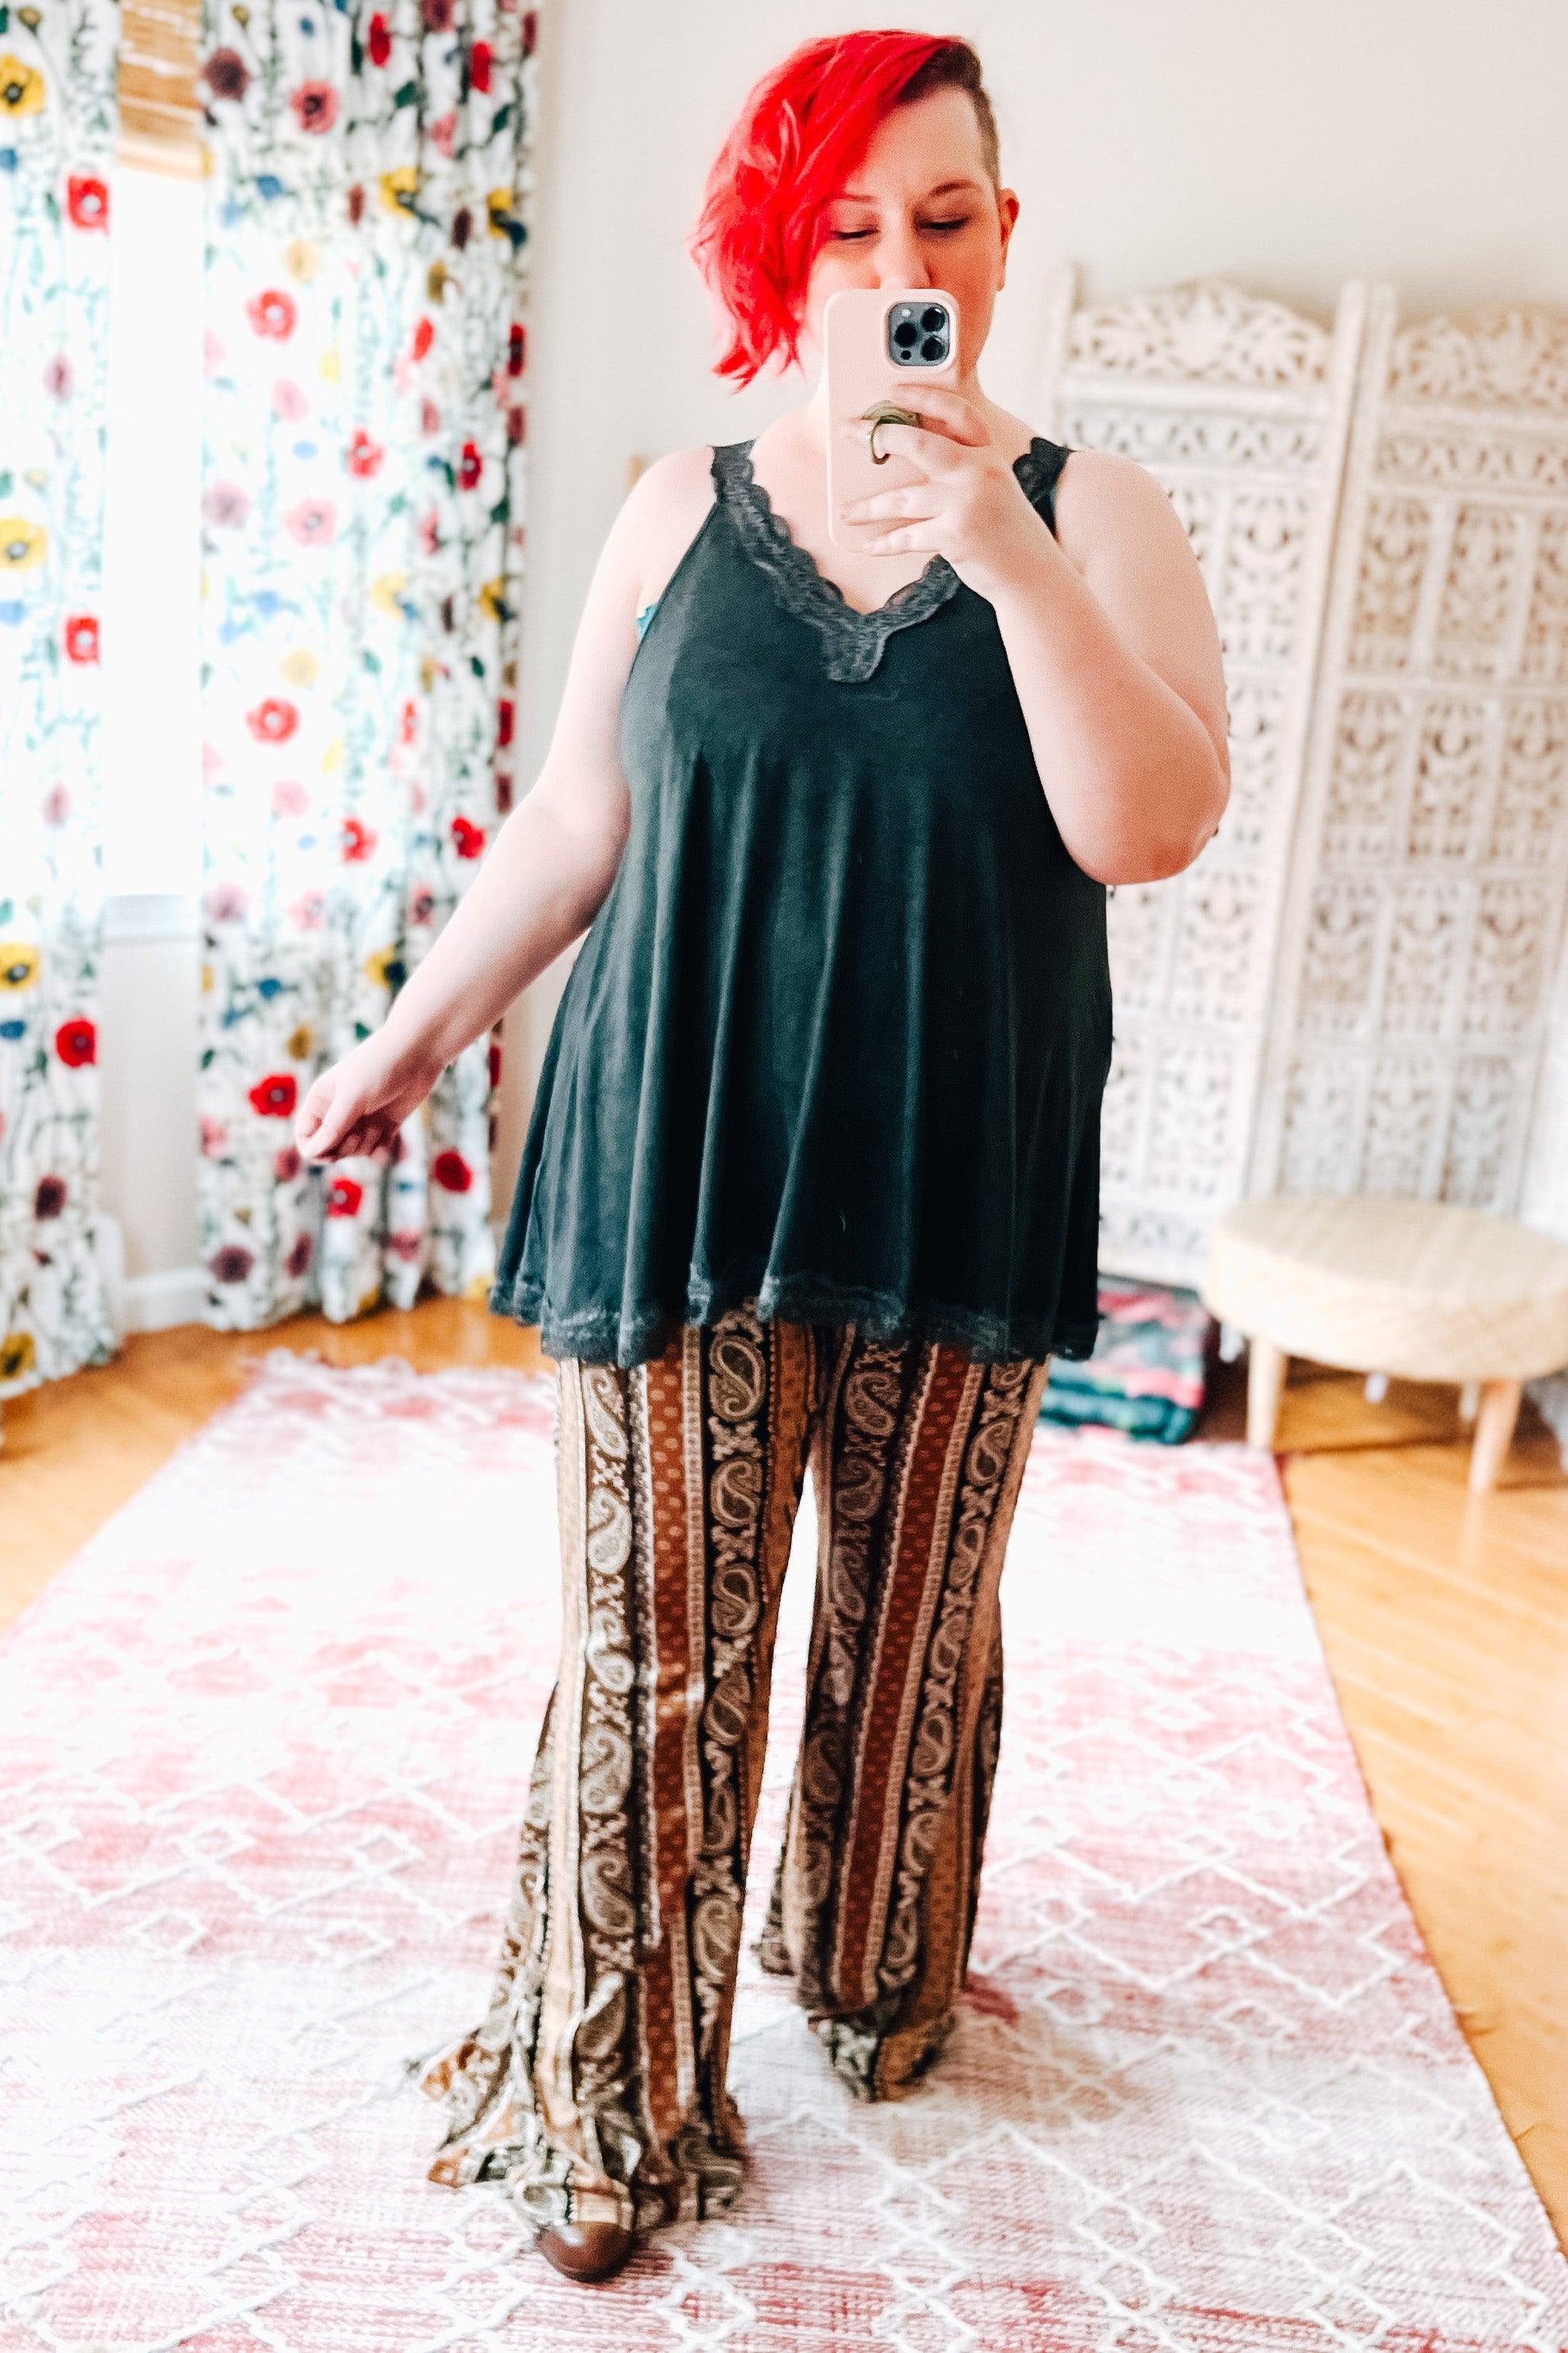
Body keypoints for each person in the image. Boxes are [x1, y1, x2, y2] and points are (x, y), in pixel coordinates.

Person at [296, 27, 1229, 2288]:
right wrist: (410, 1040)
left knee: (910, 1634)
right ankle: (608, 2084)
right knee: (658, 1643)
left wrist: (1003, 559)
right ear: (780, 250)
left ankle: (876, 1968)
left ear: (1004, 241)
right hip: (679, 1142)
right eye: (845, 225)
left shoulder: (1093, 515)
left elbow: (1153, 820)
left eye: (941, 216)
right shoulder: (667, 504)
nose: (898, 261)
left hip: (956, 1157)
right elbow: (574, 822)